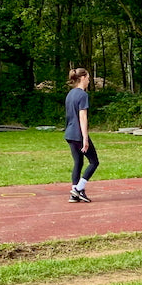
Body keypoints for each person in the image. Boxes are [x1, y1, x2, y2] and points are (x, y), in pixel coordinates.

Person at [64, 67, 99, 202]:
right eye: (88, 78)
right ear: (82, 78)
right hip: (78, 134)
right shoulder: (83, 95)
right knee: (94, 162)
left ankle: (74, 194)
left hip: (69, 133)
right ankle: (78, 189)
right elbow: (82, 117)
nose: (89, 81)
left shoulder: (70, 94)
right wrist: (85, 138)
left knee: (78, 162)